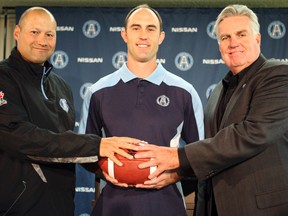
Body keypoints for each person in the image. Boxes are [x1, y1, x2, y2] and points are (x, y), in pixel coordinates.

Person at [135, 4, 288, 216]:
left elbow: (252, 133)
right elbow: (212, 149)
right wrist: (178, 173)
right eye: (225, 38)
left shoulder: (278, 75)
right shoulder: (217, 91)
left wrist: (178, 157)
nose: (233, 43)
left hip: (260, 208)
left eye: (241, 34)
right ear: (219, 46)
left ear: (258, 39)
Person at [0, 7, 140, 216]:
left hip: (62, 206)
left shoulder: (61, 88)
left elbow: (66, 149)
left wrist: (114, 167)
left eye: (49, 34)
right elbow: (22, 138)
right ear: (17, 33)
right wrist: (97, 145)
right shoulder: (4, 78)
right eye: (34, 32)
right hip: (18, 207)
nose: (42, 40)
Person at [78, 4, 204, 216]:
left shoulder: (184, 92)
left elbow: (200, 153)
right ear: (124, 35)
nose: (143, 35)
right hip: (112, 205)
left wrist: (175, 176)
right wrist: (107, 172)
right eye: (136, 28)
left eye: (151, 29)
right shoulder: (98, 91)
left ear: (161, 36)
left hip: (166, 204)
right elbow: (85, 151)